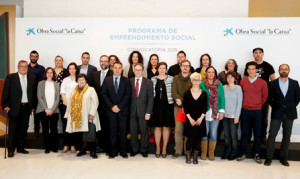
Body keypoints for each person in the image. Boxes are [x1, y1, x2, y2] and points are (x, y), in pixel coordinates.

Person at [264, 64, 300, 167]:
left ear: (289, 70)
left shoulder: (294, 83)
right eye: (281, 69)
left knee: (287, 136)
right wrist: (276, 106)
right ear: (278, 71)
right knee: (272, 135)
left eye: (285, 69)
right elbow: (269, 98)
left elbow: (297, 98)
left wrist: (289, 106)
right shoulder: (272, 84)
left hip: (290, 113)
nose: (283, 71)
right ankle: (269, 157)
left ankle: (283, 157)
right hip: (277, 112)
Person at [1, 60, 37, 158]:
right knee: (13, 130)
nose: (23, 68)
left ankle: (20, 148)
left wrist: (33, 106)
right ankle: (11, 150)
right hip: (14, 108)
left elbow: (33, 94)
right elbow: (5, 93)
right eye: (21, 66)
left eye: (25, 66)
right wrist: (5, 105)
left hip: (26, 107)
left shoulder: (32, 78)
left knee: (23, 129)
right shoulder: (10, 77)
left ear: (27, 68)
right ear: (18, 67)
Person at [237, 61, 268, 164]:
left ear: (257, 70)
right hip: (245, 111)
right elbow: (240, 96)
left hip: (257, 111)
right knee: (245, 133)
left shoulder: (262, 82)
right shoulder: (243, 82)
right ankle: (243, 153)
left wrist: (257, 104)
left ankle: (257, 154)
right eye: (249, 69)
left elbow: (264, 97)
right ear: (247, 70)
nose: (251, 71)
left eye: (253, 69)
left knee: (257, 134)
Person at [65, 74, 101, 159]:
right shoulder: (73, 91)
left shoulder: (90, 89)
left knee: (90, 133)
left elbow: (95, 102)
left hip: (88, 115)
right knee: (80, 134)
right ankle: (82, 150)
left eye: (83, 80)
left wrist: (92, 113)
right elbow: (69, 103)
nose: (81, 81)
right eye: (79, 80)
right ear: (77, 81)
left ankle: (92, 151)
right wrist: (67, 114)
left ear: (86, 81)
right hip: (77, 116)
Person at [244, 48, 275, 142]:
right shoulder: (249, 66)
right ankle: (248, 137)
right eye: (256, 53)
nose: (258, 54)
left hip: (264, 97)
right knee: (249, 118)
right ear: (253, 54)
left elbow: (274, 81)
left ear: (263, 54)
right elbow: (244, 80)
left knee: (264, 118)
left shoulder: (268, 66)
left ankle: (263, 136)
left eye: (259, 53)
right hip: (250, 97)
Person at [102, 62, 132, 159]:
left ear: (122, 69)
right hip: (111, 111)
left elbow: (128, 95)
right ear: (112, 69)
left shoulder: (126, 81)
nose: (117, 70)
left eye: (119, 68)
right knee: (112, 131)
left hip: (122, 110)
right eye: (115, 68)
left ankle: (123, 151)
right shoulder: (107, 80)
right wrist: (112, 107)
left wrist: (119, 107)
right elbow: (104, 94)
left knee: (123, 131)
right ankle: (113, 151)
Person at [149, 62, 174, 158]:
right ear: (157, 69)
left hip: (168, 106)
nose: (162, 70)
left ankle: (164, 148)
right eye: (160, 68)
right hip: (156, 106)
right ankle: (158, 148)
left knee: (166, 127)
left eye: (164, 68)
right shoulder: (153, 79)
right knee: (157, 127)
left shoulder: (171, 79)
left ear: (166, 69)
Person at [200, 66, 225, 160]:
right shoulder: (202, 84)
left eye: (212, 72)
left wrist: (221, 112)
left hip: (215, 112)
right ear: (206, 73)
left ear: (215, 74)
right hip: (204, 112)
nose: (210, 74)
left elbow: (222, 98)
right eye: (209, 72)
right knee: (204, 133)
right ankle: (203, 153)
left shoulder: (219, 84)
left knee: (213, 133)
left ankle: (211, 153)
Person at [129, 63, 154, 158]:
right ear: (134, 70)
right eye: (136, 70)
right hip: (131, 111)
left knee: (143, 131)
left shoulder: (148, 82)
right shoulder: (129, 81)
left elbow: (150, 98)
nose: (138, 71)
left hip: (143, 112)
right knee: (133, 131)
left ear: (142, 71)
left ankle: (144, 150)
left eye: (140, 70)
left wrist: (148, 112)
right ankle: (134, 149)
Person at [183, 72, 207, 164]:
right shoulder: (187, 93)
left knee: (198, 138)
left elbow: (205, 108)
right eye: (194, 79)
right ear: (191, 81)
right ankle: (188, 155)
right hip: (190, 119)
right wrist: (190, 119)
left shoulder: (204, 94)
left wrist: (201, 118)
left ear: (200, 81)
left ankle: (195, 156)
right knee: (190, 138)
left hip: (200, 119)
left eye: (198, 79)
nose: (196, 81)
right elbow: (185, 108)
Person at [91, 55, 113, 154]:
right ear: (99, 63)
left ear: (109, 63)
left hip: (108, 105)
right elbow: (91, 89)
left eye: (105, 61)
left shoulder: (113, 73)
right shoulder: (95, 74)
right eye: (101, 61)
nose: (103, 63)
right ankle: (100, 146)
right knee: (98, 127)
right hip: (97, 105)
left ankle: (108, 148)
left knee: (108, 127)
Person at [36, 67, 60, 154]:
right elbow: (39, 97)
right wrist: (46, 109)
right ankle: (47, 147)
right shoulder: (41, 83)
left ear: (53, 74)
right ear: (45, 74)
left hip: (54, 111)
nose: (49, 74)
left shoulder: (56, 84)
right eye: (48, 72)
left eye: (51, 72)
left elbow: (57, 99)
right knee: (45, 130)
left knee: (54, 130)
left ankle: (54, 147)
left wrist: (52, 110)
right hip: (43, 110)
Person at [171, 59, 192, 159]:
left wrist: (184, 102)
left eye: (187, 66)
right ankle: (178, 150)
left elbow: (194, 92)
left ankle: (187, 150)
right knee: (178, 130)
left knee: (189, 130)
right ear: (180, 67)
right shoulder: (175, 78)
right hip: (178, 108)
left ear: (189, 67)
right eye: (183, 65)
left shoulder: (193, 78)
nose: (185, 67)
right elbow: (174, 92)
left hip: (190, 108)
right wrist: (178, 100)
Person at [222, 71, 243, 160]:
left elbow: (239, 104)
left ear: (234, 78)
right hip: (224, 116)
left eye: (231, 77)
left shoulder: (238, 88)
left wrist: (237, 116)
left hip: (234, 116)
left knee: (233, 135)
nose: (229, 79)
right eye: (228, 77)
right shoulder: (223, 87)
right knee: (226, 135)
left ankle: (234, 153)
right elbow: (221, 101)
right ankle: (227, 152)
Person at [60, 62, 78, 153]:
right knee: (65, 126)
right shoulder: (65, 80)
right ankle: (66, 145)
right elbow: (62, 93)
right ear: (68, 70)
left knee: (74, 126)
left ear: (76, 70)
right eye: (70, 68)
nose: (72, 70)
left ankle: (73, 146)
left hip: (76, 106)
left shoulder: (79, 79)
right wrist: (67, 104)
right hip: (65, 106)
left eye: (73, 68)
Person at [27, 50, 45, 137]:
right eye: (32, 56)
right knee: (26, 112)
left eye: (35, 56)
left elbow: (41, 81)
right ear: (30, 57)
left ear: (38, 58)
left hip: (37, 92)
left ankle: (36, 130)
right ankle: (23, 131)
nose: (33, 58)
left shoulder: (41, 68)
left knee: (37, 113)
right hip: (26, 93)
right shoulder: (25, 67)